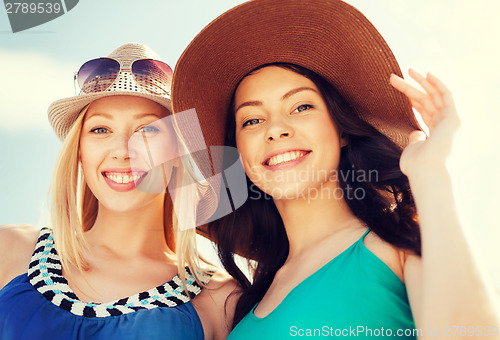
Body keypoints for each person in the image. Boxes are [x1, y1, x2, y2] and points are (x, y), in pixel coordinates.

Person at [171, 0, 500, 338]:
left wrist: (430, 173)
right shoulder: (242, 305)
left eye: (300, 106)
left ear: (341, 129)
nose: (275, 129)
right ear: (238, 151)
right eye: (252, 119)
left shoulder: (399, 246)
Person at [0, 43, 237, 340]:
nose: (123, 150)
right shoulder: (8, 249)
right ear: (79, 151)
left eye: (148, 130)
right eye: (101, 130)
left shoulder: (221, 301)